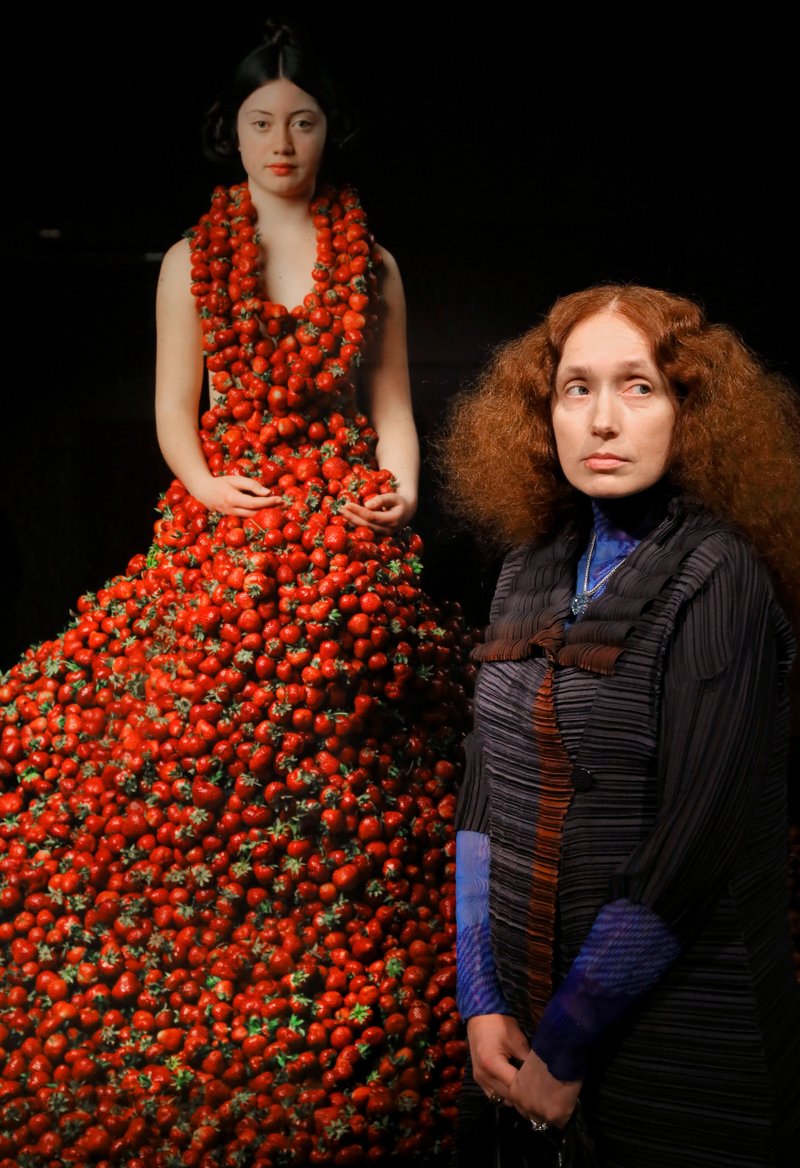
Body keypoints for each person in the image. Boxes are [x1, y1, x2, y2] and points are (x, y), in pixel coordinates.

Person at [0, 21, 472, 1167]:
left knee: (364, 701)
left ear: (329, 130)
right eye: (262, 120)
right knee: (187, 716)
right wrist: (211, 484)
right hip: (232, 514)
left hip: (342, 522)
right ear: (232, 131)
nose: (282, 141)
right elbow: (175, 413)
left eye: (302, 119)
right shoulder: (184, 258)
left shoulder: (373, 259)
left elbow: (393, 412)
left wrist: (395, 495)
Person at [439, 283, 800, 1168]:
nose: (604, 419)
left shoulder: (720, 576)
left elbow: (695, 846)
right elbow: (481, 792)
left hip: (685, 1042)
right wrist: (482, 999)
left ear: (690, 411)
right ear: (545, 414)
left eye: (638, 387)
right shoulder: (529, 567)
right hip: (527, 1028)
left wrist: (568, 1045)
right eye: (577, 388)